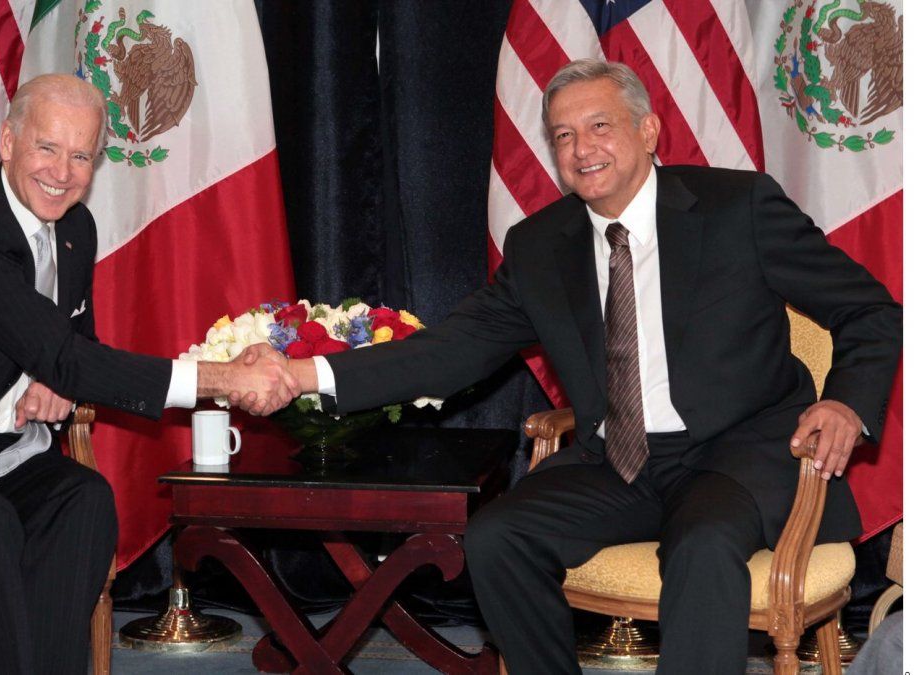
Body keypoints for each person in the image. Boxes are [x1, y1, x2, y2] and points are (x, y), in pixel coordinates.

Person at [263, 59, 901, 673]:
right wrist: (303, 376)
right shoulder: (540, 244)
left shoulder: (739, 207)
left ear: (647, 131)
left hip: (737, 453)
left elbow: (870, 310)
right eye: (563, 135)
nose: (581, 148)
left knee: (703, 546)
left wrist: (846, 402)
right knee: (497, 537)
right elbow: (451, 350)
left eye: (600, 126)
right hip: (616, 461)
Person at [0, 74, 298, 674]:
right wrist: (220, 380)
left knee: (84, 499)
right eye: (47, 147)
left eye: (81, 156)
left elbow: (73, 347)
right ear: (7, 142)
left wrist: (54, 380)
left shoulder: (74, 228)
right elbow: (63, 353)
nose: (63, 173)